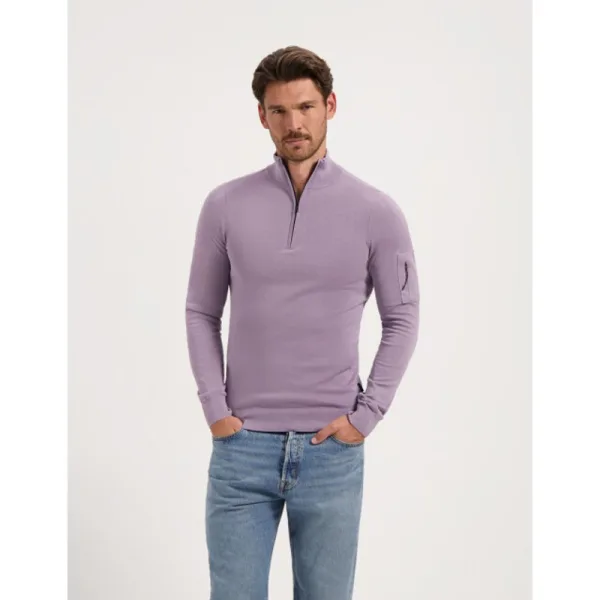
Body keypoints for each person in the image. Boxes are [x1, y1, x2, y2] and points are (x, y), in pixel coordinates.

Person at [185, 45, 420, 600]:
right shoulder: (225, 205)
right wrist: (216, 409)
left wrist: (367, 415)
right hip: (242, 448)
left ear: (330, 106)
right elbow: (201, 311)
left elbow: (403, 317)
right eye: (280, 110)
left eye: (306, 107)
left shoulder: (375, 211)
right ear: (262, 116)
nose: (294, 123)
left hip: (331, 451)